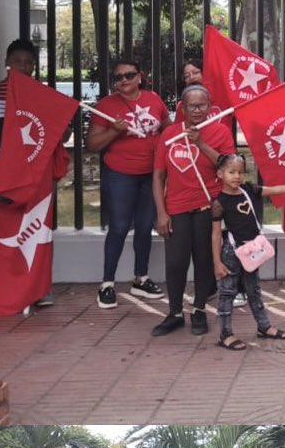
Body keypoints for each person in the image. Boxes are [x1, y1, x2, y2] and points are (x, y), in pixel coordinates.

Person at [0, 37, 58, 311]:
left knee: (34, 236)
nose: (23, 66)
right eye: (17, 61)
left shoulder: (43, 95)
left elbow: (59, 135)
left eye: (28, 62)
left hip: (35, 176)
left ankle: (35, 291)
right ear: (6, 63)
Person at [151, 84, 234, 337]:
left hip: (207, 206)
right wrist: (162, 212)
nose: (197, 110)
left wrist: (202, 144)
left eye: (202, 105)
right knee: (175, 262)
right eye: (191, 106)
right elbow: (158, 176)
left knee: (203, 260)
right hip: (176, 207)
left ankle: (199, 310)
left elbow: (228, 167)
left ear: (210, 107)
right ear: (183, 108)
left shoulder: (220, 131)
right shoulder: (170, 134)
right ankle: (174, 312)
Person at [86, 58, 169, 309]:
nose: (123, 80)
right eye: (118, 77)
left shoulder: (154, 99)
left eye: (129, 75)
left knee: (145, 226)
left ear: (140, 76)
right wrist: (113, 131)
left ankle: (140, 278)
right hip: (120, 173)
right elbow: (91, 145)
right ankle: (107, 283)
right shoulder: (106, 105)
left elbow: (167, 129)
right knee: (120, 227)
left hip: (150, 174)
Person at [211, 153, 285, 349]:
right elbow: (216, 235)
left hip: (252, 250)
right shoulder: (219, 202)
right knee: (227, 292)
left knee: (254, 290)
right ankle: (225, 334)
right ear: (220, 174)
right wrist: (217, 263)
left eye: (240, 172)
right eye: (231, 172)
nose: (236, 176)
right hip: (232, 252)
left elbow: (275, 190)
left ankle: (264, 326)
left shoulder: (248, 190)